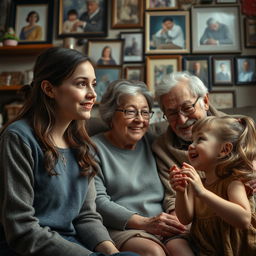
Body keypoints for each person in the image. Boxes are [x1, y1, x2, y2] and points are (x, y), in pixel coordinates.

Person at [0, 47, 139, 256]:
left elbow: (86, 216)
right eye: (81, 84)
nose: (93, 94)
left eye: (93, 84)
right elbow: (22, 230)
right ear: (49, 89)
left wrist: (113, 254)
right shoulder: (18, 138)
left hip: (73, 246)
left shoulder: (81, 144)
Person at [92, 80, 192, 256]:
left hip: (162, 224)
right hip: (123, 226)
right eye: (130, 111)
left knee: (183, 252)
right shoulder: (92, 148)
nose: (139, 120)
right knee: (153, 253)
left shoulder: (155, 143)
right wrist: (144, 223)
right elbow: (97, 201)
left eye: (145, 112)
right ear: (110, 113)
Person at [152, 71, 256, 216]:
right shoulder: (161, 148)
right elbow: (173, 199)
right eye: (172, 113)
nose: (182, 120)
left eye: (187, 108)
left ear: (205, 102)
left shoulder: (238, 129)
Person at [170, 115, 256, 255]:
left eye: (200, 139)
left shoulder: (233, 182)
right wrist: (180, 191)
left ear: (224, 150)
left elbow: (244, 220)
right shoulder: (197, 184)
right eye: (192, 140)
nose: (191, 145)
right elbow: (185, 219)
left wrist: (203, 193)